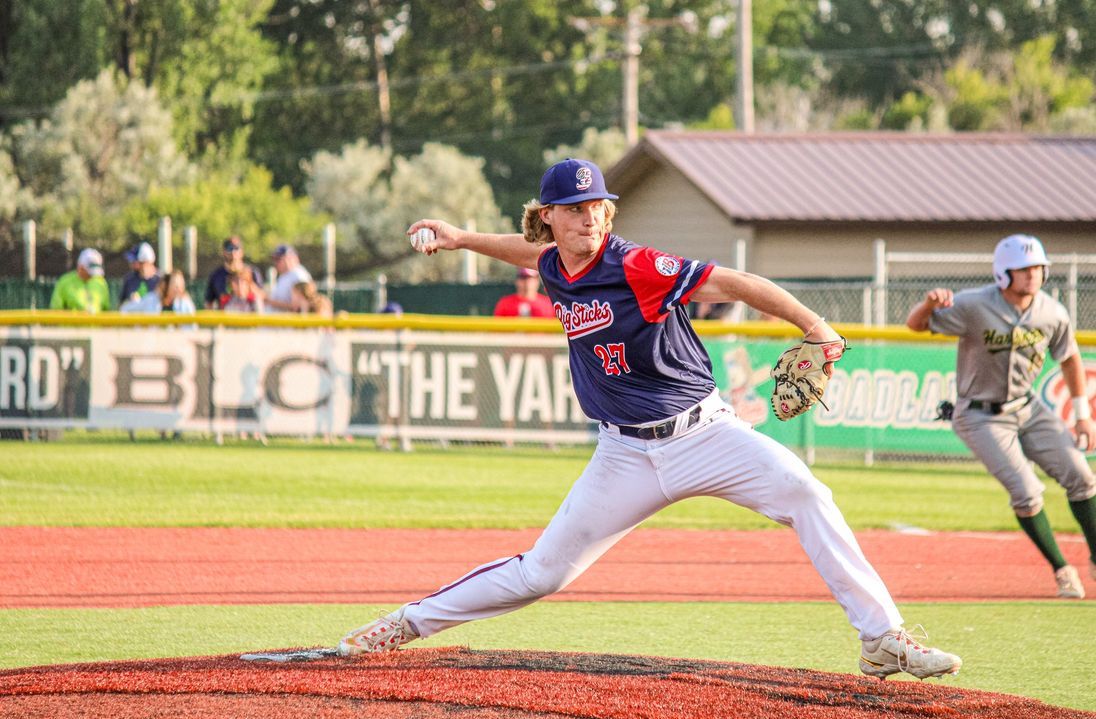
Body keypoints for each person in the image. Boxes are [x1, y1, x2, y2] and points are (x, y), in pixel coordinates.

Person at [336, 158, 962, 681]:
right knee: (542, 573)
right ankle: (409, 622)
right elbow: (526, 254)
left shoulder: (634, 265)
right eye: (575, 208)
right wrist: (462, 237)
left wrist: (816, 328)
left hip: (705, 434)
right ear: (549, 217)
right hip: (623, 457)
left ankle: (881, 638)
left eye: (598, 206)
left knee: (806, 491)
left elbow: (738, 282)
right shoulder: (554, 263)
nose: (590, 217)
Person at [905, 234, 1096, 600]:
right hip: (980, 415)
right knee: (1026, 491)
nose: (1032, 275)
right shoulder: (974, 304)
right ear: (1003, 273)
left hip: (1028, 406)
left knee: (1081, 475)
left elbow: (1069, 358)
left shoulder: (1052, 312)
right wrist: (927, 304)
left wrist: (1083, 415)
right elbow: (915, 325)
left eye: (1037, 268)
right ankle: (1061, 570)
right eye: (1023, 269)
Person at [204, 236, 263, 310]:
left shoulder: (252, 271)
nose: (233, 252)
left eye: (236, 248)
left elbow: (262, 297)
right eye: (229, 248)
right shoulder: (216, 275)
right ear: (224, 252)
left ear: (242, 251)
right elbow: (208, 303)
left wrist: (248, 282)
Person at [49, 248, 110, 313]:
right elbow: (56, 310)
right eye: (89, 272)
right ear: (81, 267)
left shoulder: (101, 283)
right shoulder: (65, 282)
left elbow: (106, 310)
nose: (91, 275)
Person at [121, 269, 196, 318]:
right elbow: (125, 309)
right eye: (175, 286)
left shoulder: (185, 304)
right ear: (164, 285)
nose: (178, 289)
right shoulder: (151, 300)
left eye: (180, 286)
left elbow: (191, 328)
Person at [264, 244, 312, 313]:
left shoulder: (299, 275)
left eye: (278, 259)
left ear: (292, 258)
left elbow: (300, 306)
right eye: (274, 259)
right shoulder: (284, 275)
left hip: (288, 321)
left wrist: (269, 301)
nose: (275, 262)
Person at [118, 242, 161, 309]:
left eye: (135, 260)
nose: (131, 263)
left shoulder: (160, 280)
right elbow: (121, 305)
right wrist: (130, 301)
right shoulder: (129, 280)